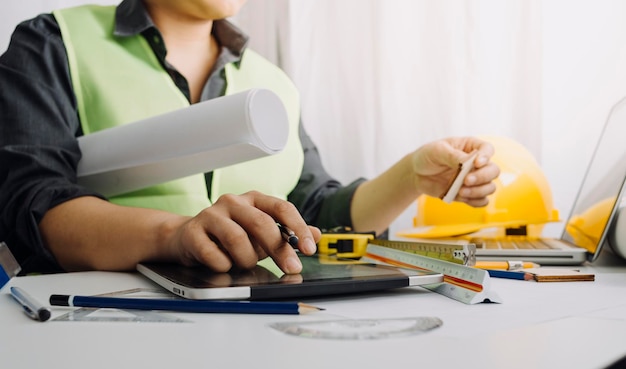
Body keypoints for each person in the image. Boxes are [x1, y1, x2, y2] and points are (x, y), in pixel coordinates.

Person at [0, 0, 499, 276]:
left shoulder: (273, 82)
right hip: (97, 330)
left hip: (261, 328)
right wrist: (175, 235)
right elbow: (32, 202)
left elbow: (318, 214)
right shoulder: (52, 42)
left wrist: (411, 176)